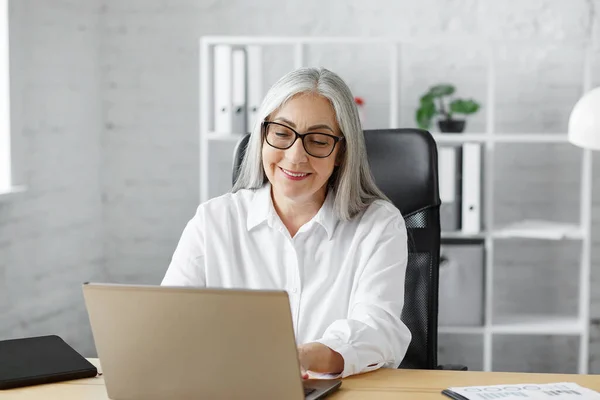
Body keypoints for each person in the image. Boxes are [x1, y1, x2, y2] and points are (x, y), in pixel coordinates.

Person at [161, 67, 411, 378]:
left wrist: (301, 357)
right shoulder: (213, 220)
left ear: (341, 153)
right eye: (281, 134)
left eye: (318, 141)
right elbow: (169, 324)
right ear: (262, 137)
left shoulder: (378, 226)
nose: (295, 157)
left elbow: (378, 329)